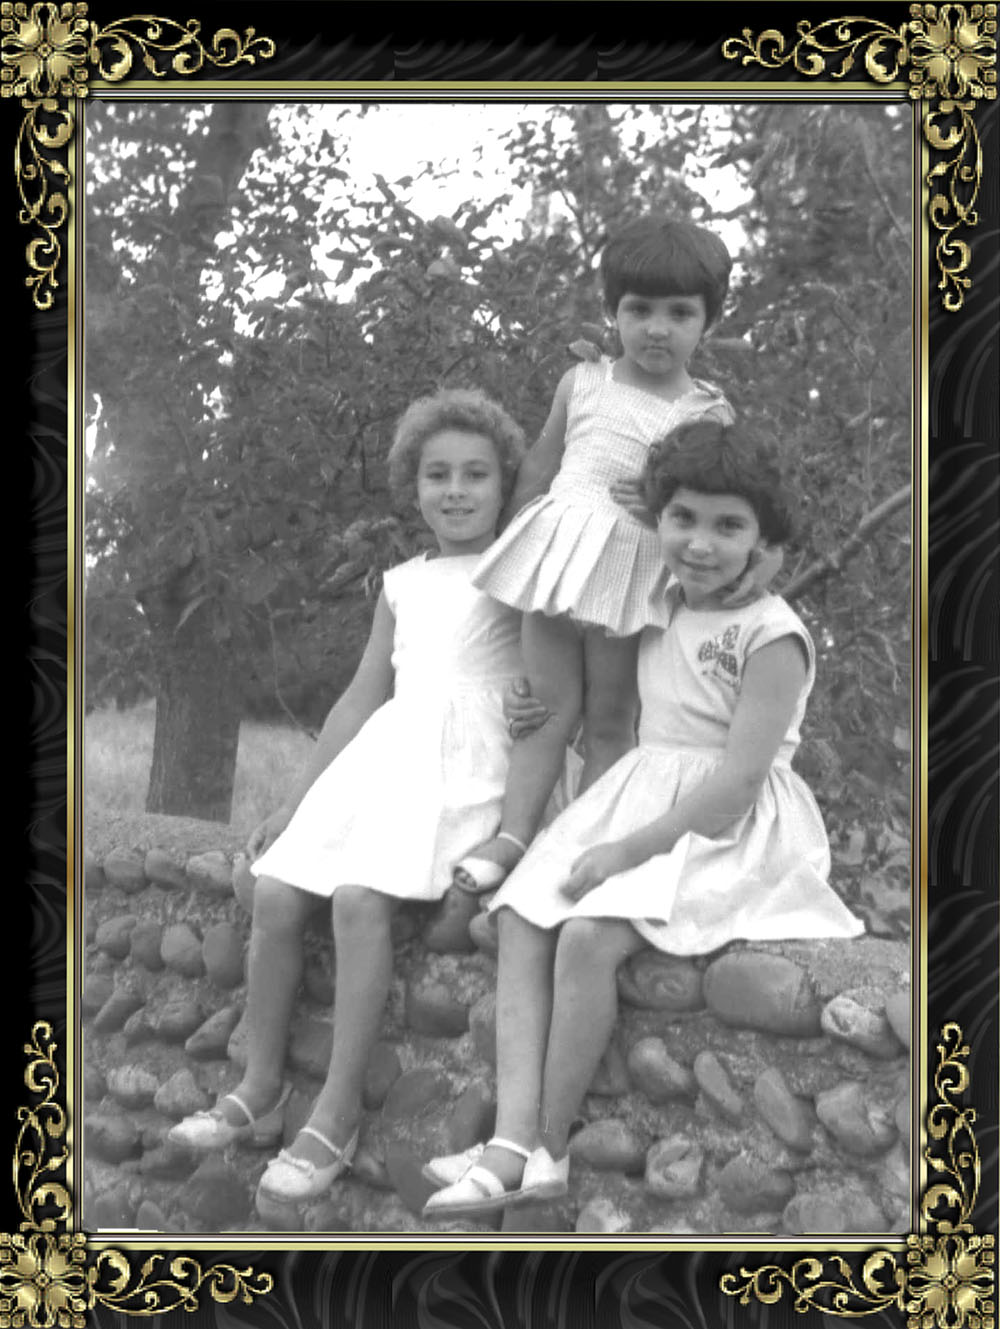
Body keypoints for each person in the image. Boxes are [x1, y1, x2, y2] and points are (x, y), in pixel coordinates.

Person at [422, 420, 865, 1219]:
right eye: (683, 519)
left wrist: (625, 851)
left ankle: (550, 1145)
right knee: (523, 912)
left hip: (726, 823)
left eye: (729, 526)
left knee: (589, 936)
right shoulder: (659, 600)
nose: (700, 543)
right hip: (643, 789)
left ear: (763, 540)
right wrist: (531, 698)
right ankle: (509, 1139)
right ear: (658, 521)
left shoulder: (772, 635)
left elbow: (736, 783)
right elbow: (588, 678)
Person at [168, 388, 535, 1206]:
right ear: (413, 486)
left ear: (506, 482)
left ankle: (335, 1114)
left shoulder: (521, 572)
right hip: (389, 761)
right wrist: (297, 801)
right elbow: (362, 697)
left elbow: (556, 683)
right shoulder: (401, 582)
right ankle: (259, 1086)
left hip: (468, 768)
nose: (456, 490)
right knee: (275, 890)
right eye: (437, 474)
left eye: (476, 474)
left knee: (361, 898)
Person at [451, 216, 740, 898]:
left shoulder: (709, 412)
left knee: (611, 721)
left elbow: (710, 505)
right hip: (556, 561)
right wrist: (506, 557)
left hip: (633, 572)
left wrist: (663, 505)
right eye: (639, 310)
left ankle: (579, 849)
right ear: (613, 310)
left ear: (708, 321)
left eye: (679, 313)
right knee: (546, 710)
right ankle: (513, 837)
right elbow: (539, 469)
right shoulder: (582, 380)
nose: (657, 329)